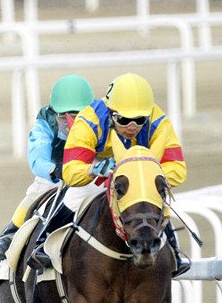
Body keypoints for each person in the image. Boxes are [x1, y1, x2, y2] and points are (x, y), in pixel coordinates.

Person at [27, 72, 190, 277]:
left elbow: (178, 169)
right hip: (98, 167)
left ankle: (173, 250)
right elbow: (70, 171)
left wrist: (146, 175)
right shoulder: (89, 120)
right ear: (111, 111)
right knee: (76, 194)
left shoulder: (159, 123)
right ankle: (43, 242)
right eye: (124, 119)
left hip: (140, 173)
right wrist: (92, 170)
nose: (132, 127)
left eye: (139, 120)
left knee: (154, 199)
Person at [0, 74, 94, 258]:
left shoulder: (100, 120)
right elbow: (37, 158)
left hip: (88, 173)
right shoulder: (45, 124)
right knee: (36, 192)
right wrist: (54, 170)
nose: (70, 125)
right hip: (55, 176)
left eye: (77, 117)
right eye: (63, 117)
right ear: (54, 112)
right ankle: (11, 232)